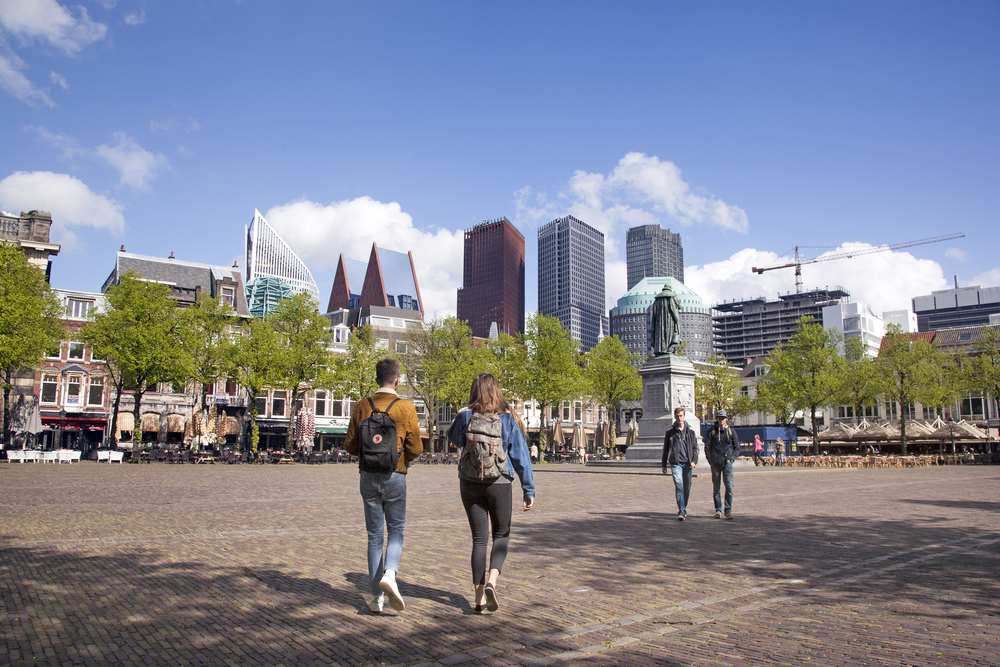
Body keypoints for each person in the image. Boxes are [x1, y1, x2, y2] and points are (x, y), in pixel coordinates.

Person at [448, 373, 535, 613]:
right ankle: (492, 581)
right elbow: (520, 456)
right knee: (501, 534)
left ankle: (478, 599)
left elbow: (454, 438)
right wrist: (528, 489)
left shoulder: (466, 414)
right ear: (497, 391)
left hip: (469, 480)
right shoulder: (508, 418)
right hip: (500, 480)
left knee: (479, 539)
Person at [345, 358, 423, 614]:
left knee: (373, 536)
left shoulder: (361, 407)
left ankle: (376, 599)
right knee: (396, 529)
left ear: (376, 379)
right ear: (397, 380)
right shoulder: (405, 407)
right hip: (395, 475)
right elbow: (416, 448)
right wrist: (401, 457)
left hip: (367, 476)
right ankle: (390, 574)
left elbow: (350, 446)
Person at [661, 406, 699, 521]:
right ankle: (681, 510)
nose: (679, 418)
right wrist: (663, 464)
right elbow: (666, 449)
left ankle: (684, 507)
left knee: (686, 488)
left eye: (681, 416)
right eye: (677, 416)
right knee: (679, 486)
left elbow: (695, 447)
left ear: (684, 416)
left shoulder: (690, 431)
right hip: (676, 463)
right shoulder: (670, 432)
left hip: (688, 463)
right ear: (675, 417)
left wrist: (694, 461)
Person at [704, 409, 740, 519]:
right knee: (716, 488)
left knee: (729, 487)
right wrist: (710, 460)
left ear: (726, 419)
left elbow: (737, 448)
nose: (721, 420)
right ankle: (718, 510)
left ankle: (728, 509)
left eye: (723, 418)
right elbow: (707, 447)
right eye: (719, 417)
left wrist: (732, 458)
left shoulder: (731, 431)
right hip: (715, 463)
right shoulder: (711, 431)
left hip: (727, 463)